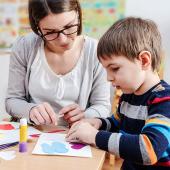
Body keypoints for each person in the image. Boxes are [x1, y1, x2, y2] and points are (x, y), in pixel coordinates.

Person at [66, 17, 170, 169]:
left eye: (114, 68)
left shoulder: (164, 100)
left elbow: (148, 150)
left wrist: (94, 136)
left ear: (144, 60)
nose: (108, 78)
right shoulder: (128, 96)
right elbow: (116, 123)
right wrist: (99, 123)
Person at [5, 0, 111, 126]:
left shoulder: (95, 50)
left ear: (78, 14)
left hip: (76, 137)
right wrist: (31, 110)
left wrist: (85, 115)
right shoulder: (24, 46)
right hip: (32, 134)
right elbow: (12, 100)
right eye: (50, 32)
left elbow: (103, 106)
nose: (63, 39)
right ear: (37, 27)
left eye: (69, 27)